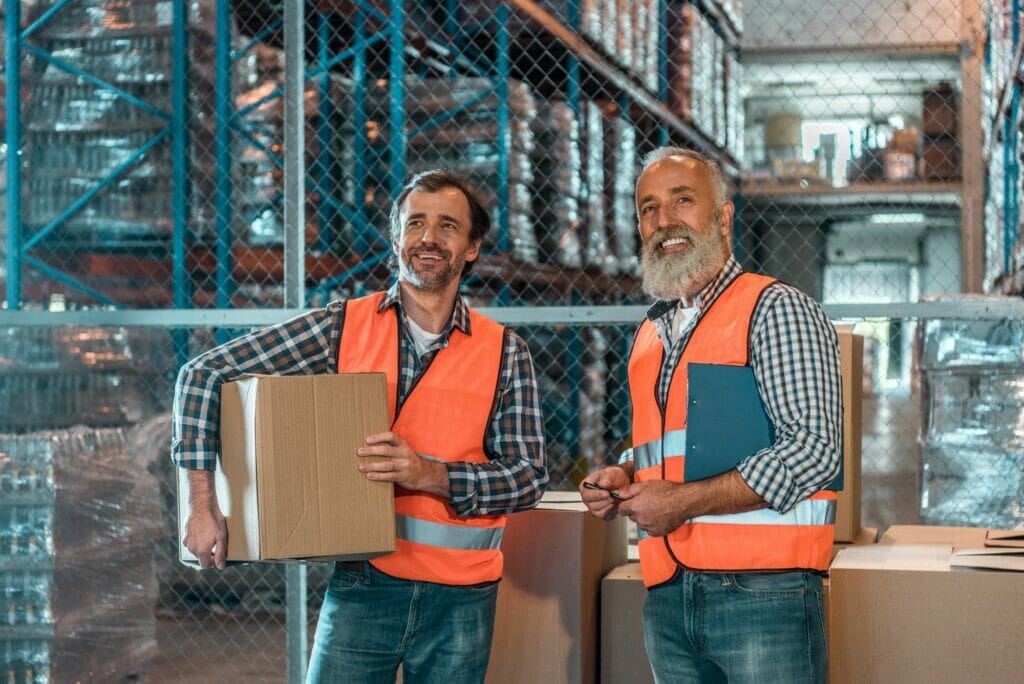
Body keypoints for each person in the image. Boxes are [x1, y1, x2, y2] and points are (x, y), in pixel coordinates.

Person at [173, 169, 548, 683]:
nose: (429, 238)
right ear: (396, 239)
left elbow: (527, 478)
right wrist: (201, 506)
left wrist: (431, 475)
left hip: (463, 596)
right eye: (415, 223)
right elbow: (202, 374)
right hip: (363, 583)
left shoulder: (505, 352)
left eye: (447, 227)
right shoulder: (341, 326)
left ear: (472, 248)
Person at [580, 147, 841, 684]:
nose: (664, 221)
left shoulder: (775, 308)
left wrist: (682, 502)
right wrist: (626, 474)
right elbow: (677, 439)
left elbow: (815, 449)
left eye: (682, 201)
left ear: (722, 217)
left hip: (764, 594)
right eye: (648, 209)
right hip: (670, 592)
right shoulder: (652, 331)